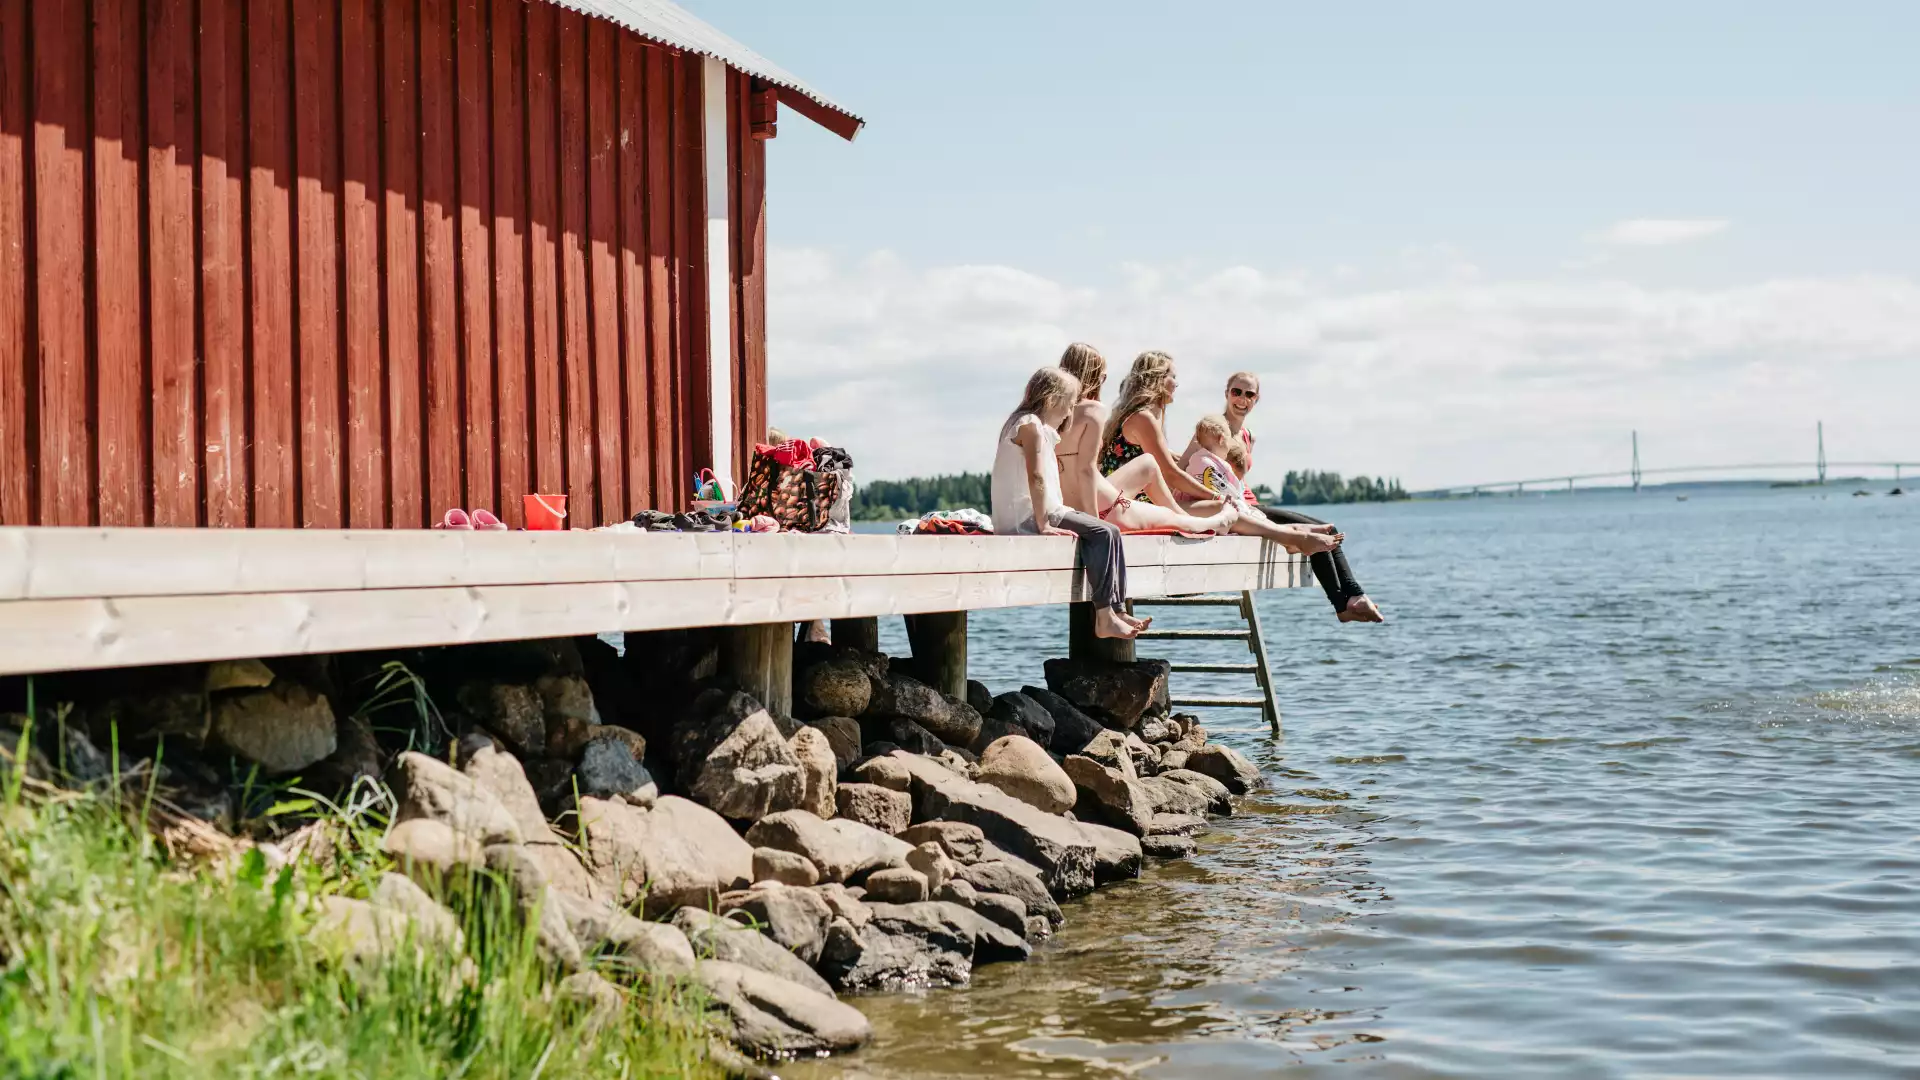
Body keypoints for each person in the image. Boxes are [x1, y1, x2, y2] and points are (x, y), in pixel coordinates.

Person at [1183, 371, 1384, 623]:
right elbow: (1184, 468)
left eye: (1249, 394)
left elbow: (1237, 478)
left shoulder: (1247, 436)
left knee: (1330, 529)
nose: (1242, 399)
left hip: (1251, 503)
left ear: (1256, 399)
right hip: (1237, 508)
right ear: (1226, 393)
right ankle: (1345, 603)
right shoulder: (1212, 429)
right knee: (1316, 534)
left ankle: (1353, 597)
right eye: (1236, 392)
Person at [1099, 352, 1342, 557]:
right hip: (1132, 504)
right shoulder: (1144, 418)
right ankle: (1291, 537)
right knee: (1225, 509)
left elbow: (1166, 459)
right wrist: (1215, 494)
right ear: (1158, 380)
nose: (1176, 383)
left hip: (1135, 501)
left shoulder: (1141, 416)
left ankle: (1292, 532)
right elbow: (1170, 475)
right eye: (1172, 377)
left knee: (1226, 507)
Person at [992, 367, 1144, 640]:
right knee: (1103, 532)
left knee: (1110, 532)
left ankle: (1117, 612)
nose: (1070, 411)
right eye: (1070, 403)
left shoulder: (1028, 424)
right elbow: (1035, 475)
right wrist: (1043, 523)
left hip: (1044, 510)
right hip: (1030, 515)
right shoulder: (1030, 426)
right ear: (1052, 400)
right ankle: (1104, 616)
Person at [1057, 343, 1236, 535]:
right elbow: (1086, 471)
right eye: (1102, 375)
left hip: (1071, 510)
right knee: (1171, 514)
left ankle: (1193, 519)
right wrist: (1092, 524)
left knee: (1157, 481)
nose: (1104, 381)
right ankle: (1216, 520)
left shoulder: (1054, 415)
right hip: (1103, 508)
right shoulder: (1094, 411)